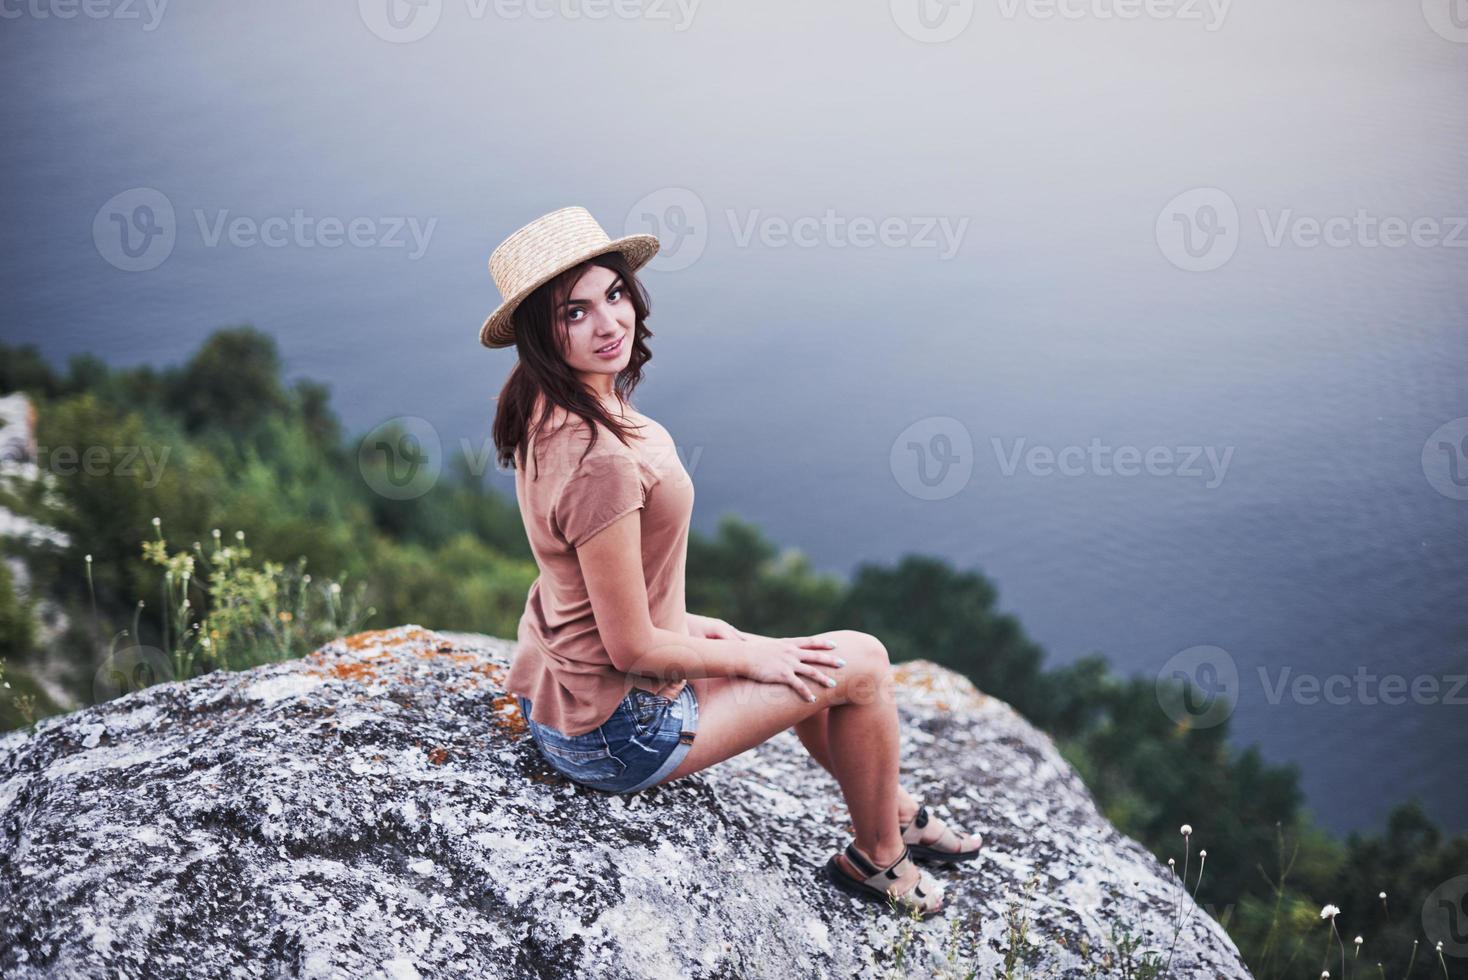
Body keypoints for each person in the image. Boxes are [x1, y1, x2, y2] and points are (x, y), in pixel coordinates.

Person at [480, 206, 983, 918]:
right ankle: (879, 859)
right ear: (540, 334)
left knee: (794, 655)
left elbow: (589, 587)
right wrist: (755, 661)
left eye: (615, 295)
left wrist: (743, 647)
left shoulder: (536, 403)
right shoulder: (601, 462)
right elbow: (633, 647)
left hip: (560, 690)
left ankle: (891, 806)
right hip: (616, 733)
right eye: (574, 313)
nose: (608, 324)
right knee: (860, 661)